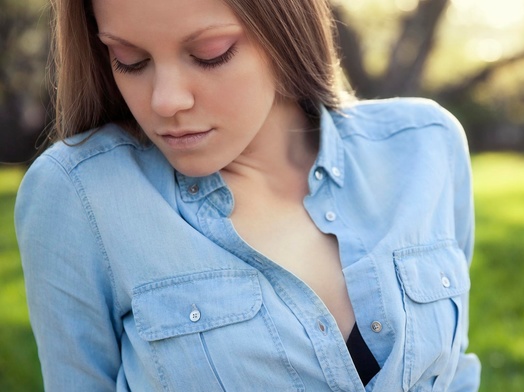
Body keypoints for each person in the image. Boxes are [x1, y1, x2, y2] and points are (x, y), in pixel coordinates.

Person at [14, 0, 481, 390]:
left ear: (284, 26)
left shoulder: (426, 145)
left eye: (210, 53)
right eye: (130, 60)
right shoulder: (79, 195)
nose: (166, 101)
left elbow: (455, 370)